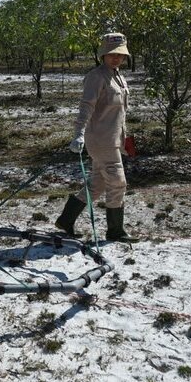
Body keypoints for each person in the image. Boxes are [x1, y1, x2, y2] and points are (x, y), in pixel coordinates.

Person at [55, 32, 138, 243]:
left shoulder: (119, 77)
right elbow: (86, 107)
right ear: (103, 54)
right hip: (100, 141)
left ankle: (65, 220)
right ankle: (115, 231)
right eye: (111, 54)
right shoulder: (96, 76)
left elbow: (121, 114)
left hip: (113, 140)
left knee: (98, 185)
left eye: (119, 54)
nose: (115, 58)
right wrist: (78, 133)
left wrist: (125, 140)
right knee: (118, 183)